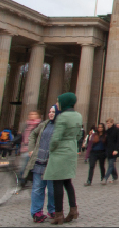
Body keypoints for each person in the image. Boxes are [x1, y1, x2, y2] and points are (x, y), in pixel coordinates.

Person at [43, 92, 83, 224]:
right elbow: (78, 136)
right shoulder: (78, 116)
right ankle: (73, 210)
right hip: (71, 150)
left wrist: (51, 149)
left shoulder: (62, 117)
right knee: (68, 182)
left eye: (58, 101)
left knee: (57, 183)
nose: (57, 104)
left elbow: (56, 138)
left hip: (60, 152)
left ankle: (58, 215)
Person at [23, 106, 57, 223]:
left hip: (52, 163)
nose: (51, 114)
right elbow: (32, 134)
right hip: (39, 161)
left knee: (52, 189)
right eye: (50, 111)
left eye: (54, 112)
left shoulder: (60, 126)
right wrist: (31, 149)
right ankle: (37, 212)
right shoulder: (44, 124)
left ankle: (52, 210)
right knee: (38, 188)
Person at [103, 118, 119, 184]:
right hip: (108, 150)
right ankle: (115, 176)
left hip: (114, 150)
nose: (107, 124)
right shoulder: (107, 131)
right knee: (112, 165)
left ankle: (105, 178)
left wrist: (116, 149)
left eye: (108, 123)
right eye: (107, 123)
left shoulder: (117, 130)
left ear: (112, 123)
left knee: (110, 165)